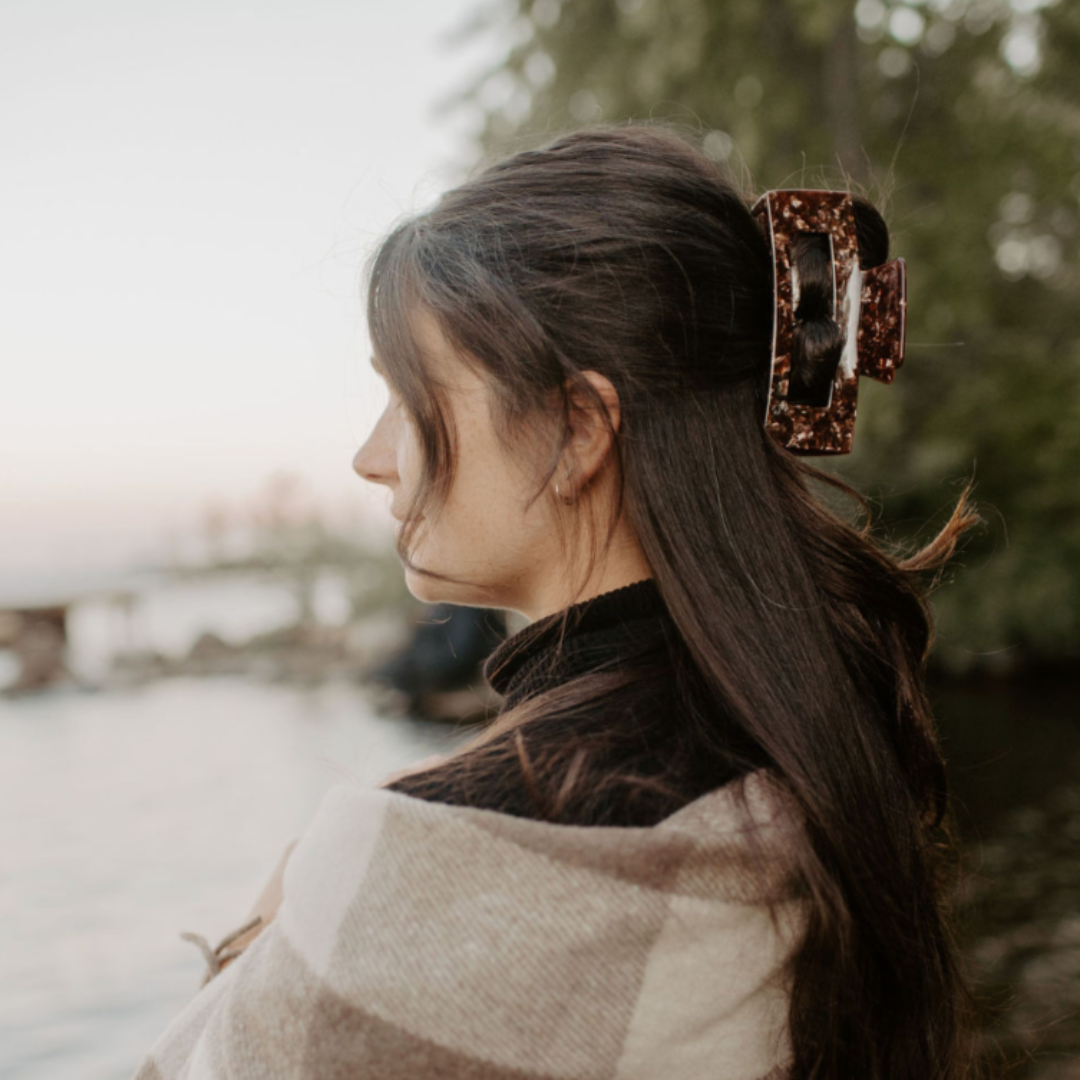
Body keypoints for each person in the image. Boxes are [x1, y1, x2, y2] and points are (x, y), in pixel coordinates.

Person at [134, 121, 982, 1080]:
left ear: (577, 431)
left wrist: (271, 918)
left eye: (410, 400)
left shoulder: (443, 851)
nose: (370, 458)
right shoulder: (801, 733)